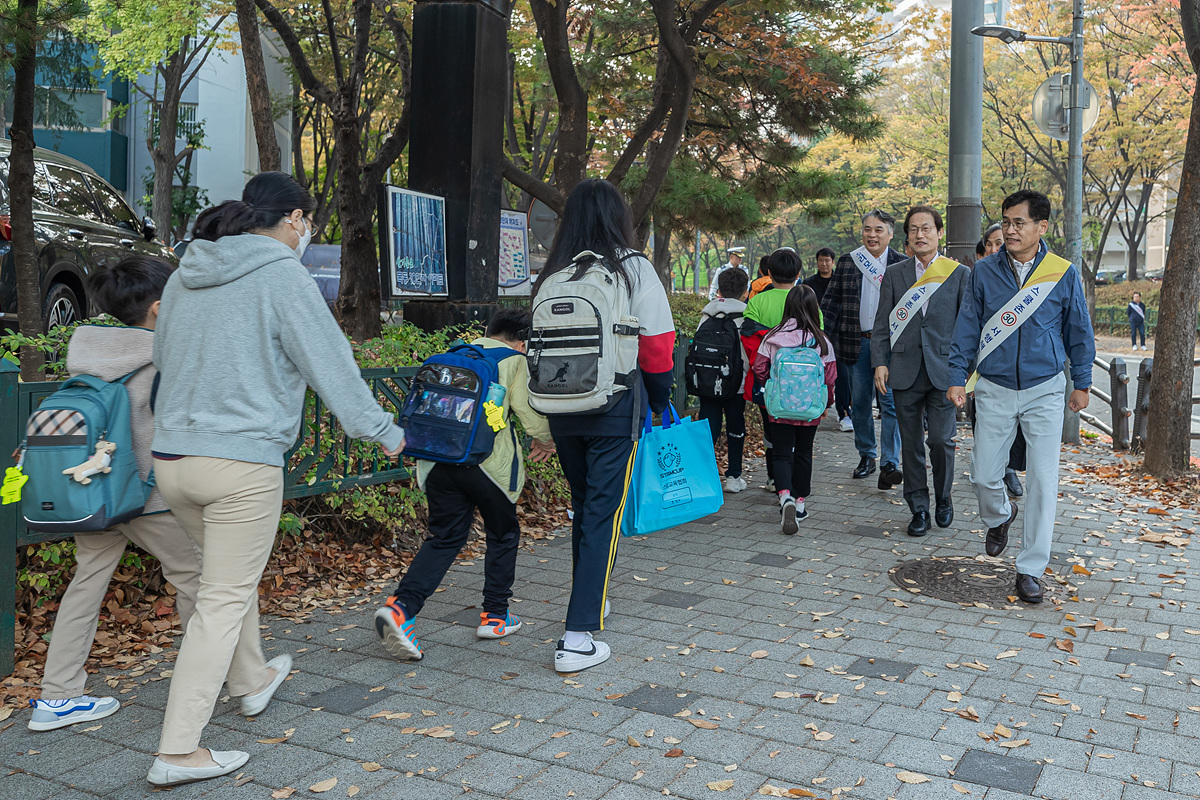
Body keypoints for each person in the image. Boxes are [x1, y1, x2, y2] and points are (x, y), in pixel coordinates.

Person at [146, 172, 405, 786]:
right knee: (223, 598)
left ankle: (252, 679)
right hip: (240, 463)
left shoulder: (186, 272)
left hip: (173, 460)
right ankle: (178, 751)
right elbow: (332, 365)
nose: (307, 232)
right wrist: (386, 431)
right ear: (293, 219)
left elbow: (163, 358)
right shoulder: (281, 272)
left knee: (223, 581)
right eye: (307, 222)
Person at [26, 257, 203, 733]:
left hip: (92, 494)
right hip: (148, 498)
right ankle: (213, 676)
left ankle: (58, 696)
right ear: (160, 309)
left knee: (86, 583)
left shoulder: (86, 353)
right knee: (195, 577)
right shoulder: (164, 358)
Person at [532, 179, 674, 673]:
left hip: (562, 406)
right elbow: (657, 346)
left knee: (586, 508)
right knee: (601, 514)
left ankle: (593, 601)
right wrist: (660, 402)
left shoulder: (556, 270)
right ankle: (577, 636)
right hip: (614, 408)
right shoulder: (633, 268)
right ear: (620, 218)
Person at [375, 310, 555, 660]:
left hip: (437, 462)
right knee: (502, 534)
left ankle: (399, 610)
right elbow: (530, 413)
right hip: (487, 466)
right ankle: (495, 617)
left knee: (444, 537)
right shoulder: (514, 361)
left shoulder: (456, 353)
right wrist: (548, 441)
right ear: (521, 343)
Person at [948, 189, 1095, 604]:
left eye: (1019, 223)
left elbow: (1079, 332)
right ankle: (999, 515)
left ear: (1041, 227)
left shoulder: (1062, 272)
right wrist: (958, 376)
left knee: (1044, 483)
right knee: (982, 474)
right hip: (993, 386)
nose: (1009, 230)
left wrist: (1081, 383)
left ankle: (1030, 568)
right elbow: (967, 327)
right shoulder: (983, 272)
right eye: (1006, 222)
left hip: (1045, 388)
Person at [871, 206, 970, 536]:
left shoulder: (958, 274)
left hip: (944, 372)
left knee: (942, 441)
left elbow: (968, 327)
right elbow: (882, 323)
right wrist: (880, 362)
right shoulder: (896, 274)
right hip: (903, 369)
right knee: (910, 444)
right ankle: (919, 508)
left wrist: (964, 374)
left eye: (926, 228)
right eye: (914, 229)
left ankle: (943, 497)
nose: (920, 234)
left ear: (939, 233)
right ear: (908, 236)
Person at [820, 210, 905, 488]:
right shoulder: (848, 262)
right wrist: (822, 340)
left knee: (891, 403)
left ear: (891, 234)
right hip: (856, 341)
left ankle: (890, 461)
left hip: (891, 346)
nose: (872, 235)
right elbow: (831, 303)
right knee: (859, 403)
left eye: (879, 230)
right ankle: (867, 455)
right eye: (868, 229)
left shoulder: (902, 264)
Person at [752, 285, 836, 534]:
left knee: (780, 453)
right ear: (814, 308)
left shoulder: (773, 337)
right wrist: (825, 404)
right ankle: (800, 503)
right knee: (803, 452)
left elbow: (759, 369)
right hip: (810, 409)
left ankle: (785, 496)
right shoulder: (822, 340)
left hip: (779, 407)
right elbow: (830, 377)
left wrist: (774, 385)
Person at [742, 248, 803, 492]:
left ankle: (773, 477)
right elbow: (818, 340)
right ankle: (794, 480)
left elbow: (747, 340)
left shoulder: (757, 301)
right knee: (797, 429)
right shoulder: (805, 300)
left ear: (768, 273)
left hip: (766, 380)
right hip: (799, 380)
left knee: (771, 428)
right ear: (798, 273)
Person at [977, 220, 1026, 499]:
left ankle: (1008, 468)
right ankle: (991, 468)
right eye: (991, 244)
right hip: (982, 364)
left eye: (1000, 242)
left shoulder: (1026, 277)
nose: (996, 248)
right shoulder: (980, 275)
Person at [697, 267, 750, 493]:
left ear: (719, 289)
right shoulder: (744, 317)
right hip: (735, 385)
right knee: (736, 427)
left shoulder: (707, 314)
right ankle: (733, 477)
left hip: (707, 382)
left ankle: (705, 478)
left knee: (709, 428)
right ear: (745, 292)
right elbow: (747, 355)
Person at [804, 247, 851, 431]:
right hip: (815, 334)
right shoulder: (808, 284)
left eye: (827, 260)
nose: (824, 264)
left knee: (841, 375)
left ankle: (844, 412)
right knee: (816, 373)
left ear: (833, 262)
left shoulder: (840, 281)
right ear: (817, 262)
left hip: (838, 334)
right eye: (821, 260)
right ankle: (814, 409)